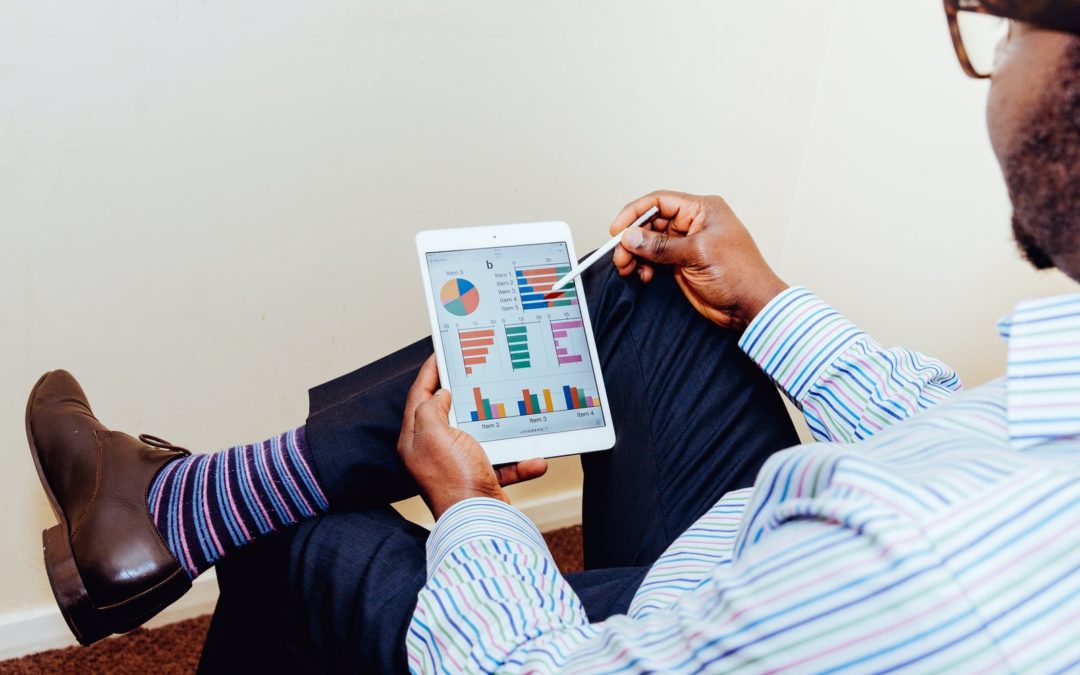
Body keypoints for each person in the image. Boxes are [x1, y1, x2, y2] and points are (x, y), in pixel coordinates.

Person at [23, 1, 1080, 672]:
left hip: (649, 639)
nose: (997, 63)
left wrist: (474, 510)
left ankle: (187, 510)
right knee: (647, 288)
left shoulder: (933, 569)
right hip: (751, 570)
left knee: (306, 540)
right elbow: (960, 436)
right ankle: (162, 512)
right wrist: (768, 300)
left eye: (1012, 27)